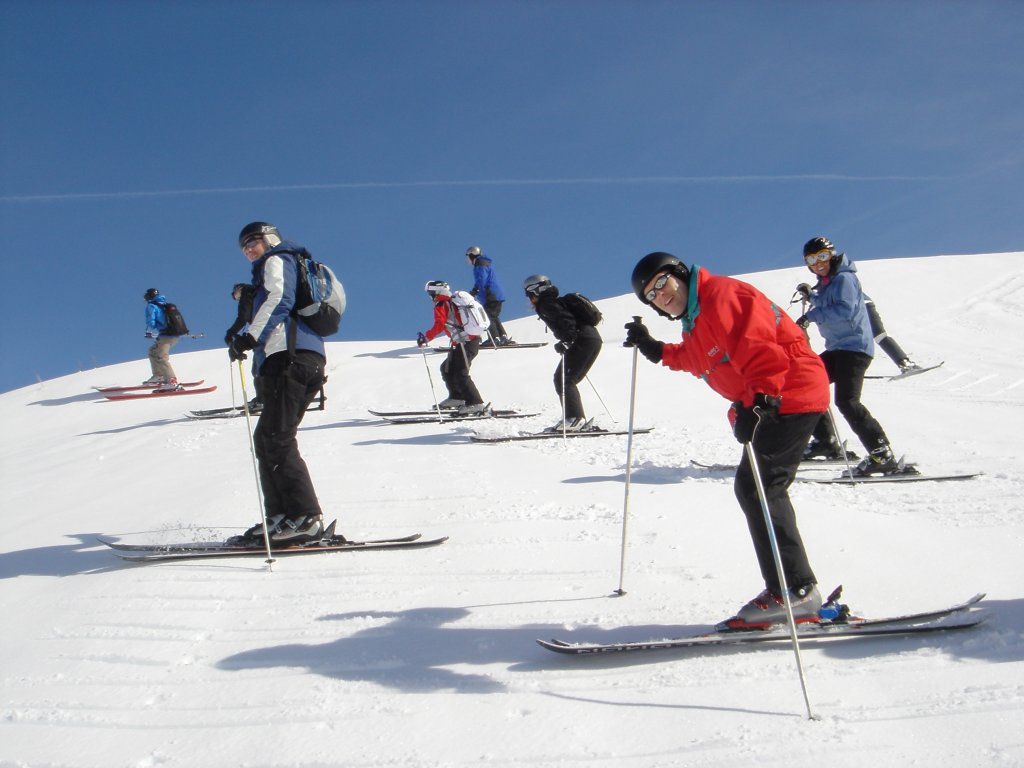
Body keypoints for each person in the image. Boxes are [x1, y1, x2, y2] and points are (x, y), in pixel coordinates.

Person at [624, 252, 829, 628]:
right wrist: (656, 349)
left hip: (789, 392)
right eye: (651, 296)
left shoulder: (720, 295)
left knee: (760, 489)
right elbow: (697, 358)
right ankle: (792, 589)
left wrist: (762, 401)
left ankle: (795, 590)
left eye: (662, 283)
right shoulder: (696, 322)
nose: (660, 296)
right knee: (756, 488)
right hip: (777, 398)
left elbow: (759, 345)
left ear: (680, 274)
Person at [227, 221, 330, 546]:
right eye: (244, 247)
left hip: (292, 357)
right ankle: (281, 515)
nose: (248, 249)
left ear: (269, 239)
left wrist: (249, 337)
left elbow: (280, 298)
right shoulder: (274, 267)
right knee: (267, 438)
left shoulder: (277, 258)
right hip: (292, 358)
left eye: (252, 241)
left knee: (277, 437)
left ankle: (306, 519)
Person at [796, 236, 903, 475]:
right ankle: (826, 442)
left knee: (847, 401)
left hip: (854, 349)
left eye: (822, 256)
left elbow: (844, 309)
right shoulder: (828, 283)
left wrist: (810, 316)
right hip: (838, 349)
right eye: (812, 260)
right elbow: (825, 301)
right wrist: (810, 295)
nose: (818, 263)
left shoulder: (844, 278)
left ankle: (882, 454)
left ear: (832, 255)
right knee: (807, 384)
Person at [522, 274, 602, 432]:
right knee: (566, 379)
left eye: (528, 294)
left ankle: (574, 419)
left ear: (534, 291)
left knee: (564, 379)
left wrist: (567, 340)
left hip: (582, 339)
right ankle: (574, 418)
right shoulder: (553, 302)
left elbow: (566, 320)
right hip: (591, 338)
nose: (529, 299)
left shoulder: (546, 304)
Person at [416, 280, 489, 415]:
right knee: (447, 369)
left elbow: (439, 324)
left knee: (461, 373)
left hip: (466, 342)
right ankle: (457, 398)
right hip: (462, 343)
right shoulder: (451, 302)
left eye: (431, 293)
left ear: (436, 292)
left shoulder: (442, 303)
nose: (430, 296)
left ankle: (476, 403)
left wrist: (426, 338)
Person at [224, 282, 263, 412]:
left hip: (263, 335)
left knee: (258, 370)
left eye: (235, 295)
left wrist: (231, 332)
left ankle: (262, 400)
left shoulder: (247, 293)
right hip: (275, 332)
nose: (237, 298)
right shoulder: (259, 294)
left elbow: (243, 317)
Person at [466, 245, 514, 346]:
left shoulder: (480, 264)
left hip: (490, 295)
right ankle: (503, 337)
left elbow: (482, 279)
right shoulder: (483, 263)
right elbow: (481, 280)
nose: (467, 260)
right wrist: (475, 289)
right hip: (496, 294)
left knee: (488, 316)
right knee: (493, 316)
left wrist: (475, 290)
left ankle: (494, 339)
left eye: (468, 257)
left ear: (472, 255)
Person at [142, 288, 183, 391]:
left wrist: (153, 328)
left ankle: (171, 381)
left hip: (166, 336)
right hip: (175, 335)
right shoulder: (165, 305)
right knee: (153, 351)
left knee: (161, 357)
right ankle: (158, 375)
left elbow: (151, 322)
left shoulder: (151, 306)